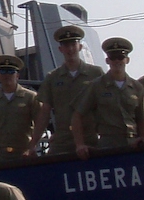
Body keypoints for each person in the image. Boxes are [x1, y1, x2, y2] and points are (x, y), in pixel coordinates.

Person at [30, 25, 104, 156]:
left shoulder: (95, 73)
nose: (70, 49)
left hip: (89, 138)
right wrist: (33, 144)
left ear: (80, 47)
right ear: (60, 49)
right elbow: (45, 112)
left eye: (73, 44)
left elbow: (105, 106)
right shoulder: (53, 77)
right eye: (66, 45)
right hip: (62, 139)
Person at [71, 37, 144, 157]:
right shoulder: (96, 86)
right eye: (113, 58)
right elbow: (77, 115)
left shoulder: (137, 87)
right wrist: (80, 144)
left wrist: (143, 139)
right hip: (108, 143)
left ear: (127, 60)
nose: (117, 61)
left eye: (120, 57)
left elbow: (141, 119)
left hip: (133, 144)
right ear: (107, 60)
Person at [0, 55, 40, 165]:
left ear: (17, 75)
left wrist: (32, 146)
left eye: (11, 71)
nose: (7, 75)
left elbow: (40, 124)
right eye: (3, 71)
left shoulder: (31, 98)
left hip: (24, 154)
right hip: (1, 155)